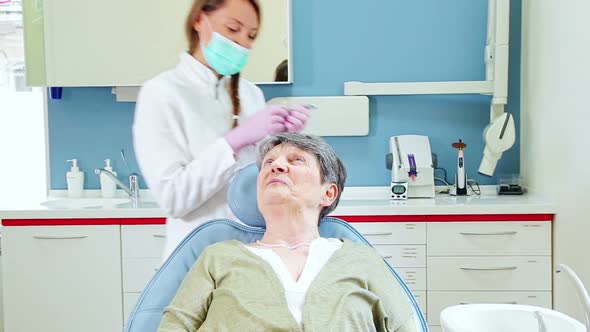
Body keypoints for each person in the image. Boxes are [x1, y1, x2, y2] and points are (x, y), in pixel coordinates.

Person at [157, 133, 419, 331]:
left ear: (328, 193)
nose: (276, 166)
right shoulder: (217, 257)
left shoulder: (361, 260)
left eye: (296, 160)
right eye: (269, 162)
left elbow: (406, 327)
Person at [132, 0, 310, 259]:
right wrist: (233, 142)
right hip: (198, 259)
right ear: (198, 21)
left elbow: (262, 183)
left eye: (251, 35)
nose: (243, 43)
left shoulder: (250, 94)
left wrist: (286, 142)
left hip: (254, 253)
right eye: (232, 29)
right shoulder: (162, 93)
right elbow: (174, 199)